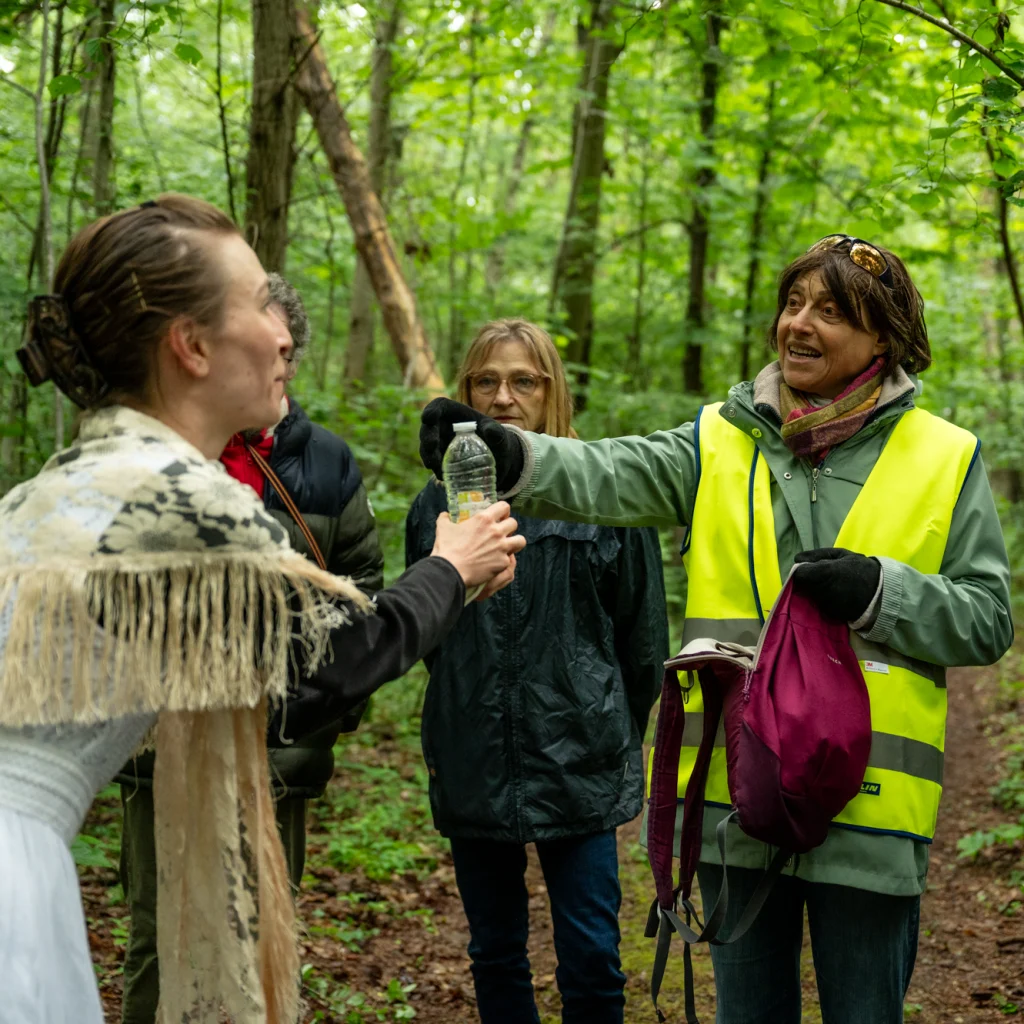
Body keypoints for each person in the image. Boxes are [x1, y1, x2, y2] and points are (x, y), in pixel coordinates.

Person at [419, 235, 1014, 1024]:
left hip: (870, 810)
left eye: (832, 312)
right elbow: (607, 472)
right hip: (735, 799)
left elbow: (988, 617)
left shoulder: (945, 454)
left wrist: (881, 590)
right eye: (794, 304)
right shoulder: (719, 439)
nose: (800, 325)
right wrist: (507, 450)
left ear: (884, 337)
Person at [0, 194, 524, 1024]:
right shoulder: (173, 496)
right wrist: (450, 570)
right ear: (192, 346)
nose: (284, 333)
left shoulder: (67, 485)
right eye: (254, 303)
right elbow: (321, 669)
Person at [115, 273, 386, 1024]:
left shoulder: (325, 461)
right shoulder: (163, 449)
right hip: (161, 745)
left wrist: (325, 703)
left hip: (278, 746)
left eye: (283, 351)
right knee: (156, 934)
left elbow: (361, 589)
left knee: (265, 930)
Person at [406, 320, 669, 1024]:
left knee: (590, 953)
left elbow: (641, 639)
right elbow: (428, 630)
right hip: (474, 750)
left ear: (553, 391)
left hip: (579, 749)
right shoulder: (437, 503)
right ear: (465, 393)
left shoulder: (608, 492)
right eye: (486, 382)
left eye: (523, 380)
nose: (503, 398)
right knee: (494, 952)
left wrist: (610, 723)